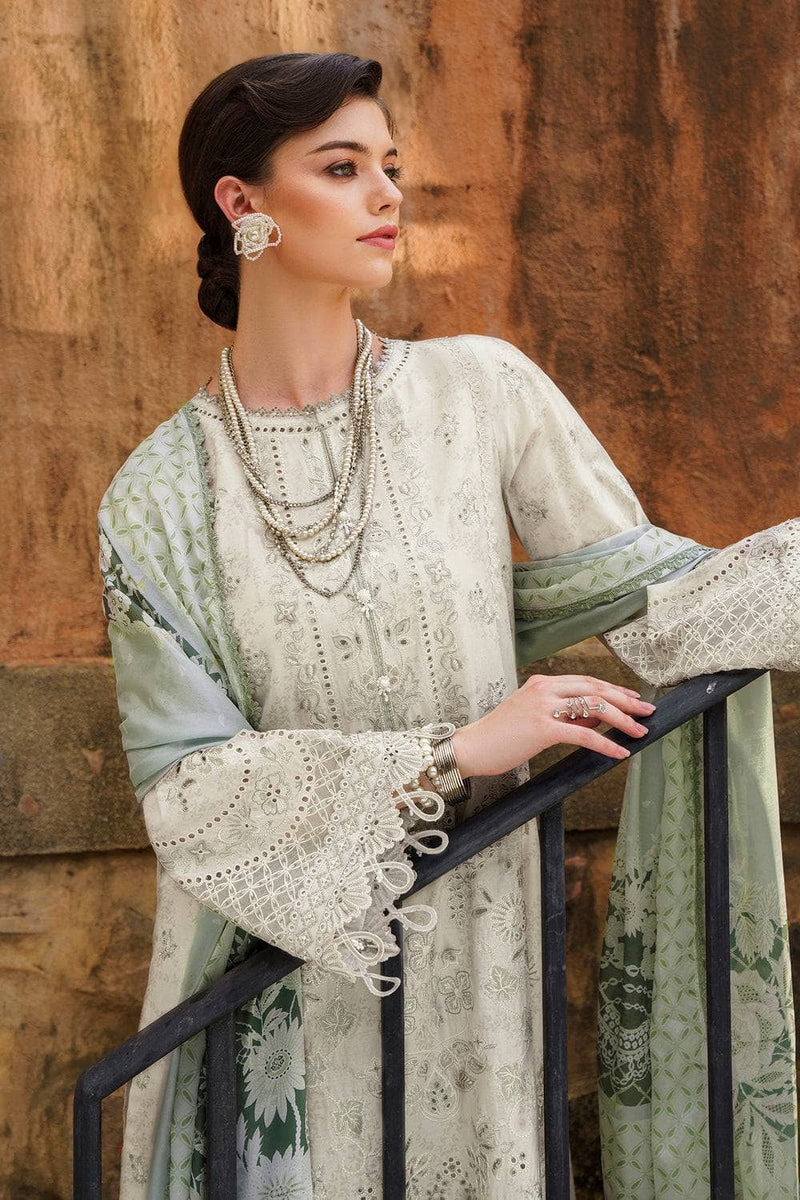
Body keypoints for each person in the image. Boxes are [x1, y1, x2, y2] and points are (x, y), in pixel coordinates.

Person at [98, 52, 799, 1199]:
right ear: (241, 202)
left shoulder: (479, 396)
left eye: (390, 165)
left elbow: (671, 607)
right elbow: (185, 792)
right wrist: (454, 752)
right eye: (341, 168)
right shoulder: (160, 495)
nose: (387, 194)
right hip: (275, 992)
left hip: (479, 960)